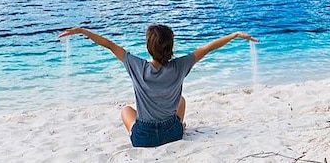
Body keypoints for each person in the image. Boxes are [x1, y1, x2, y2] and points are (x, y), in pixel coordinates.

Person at [58, 24, 257, 148]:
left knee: (126, 110)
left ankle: (144, 129)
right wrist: (234, 35)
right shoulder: (181, 65)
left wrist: (82, 31)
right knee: (181, 101)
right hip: (173, 133)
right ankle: (180, 125)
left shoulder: (136, 65)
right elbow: (208, 48)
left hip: (143, 138)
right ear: (171, 47)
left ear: (148, 47)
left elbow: (109, 44)